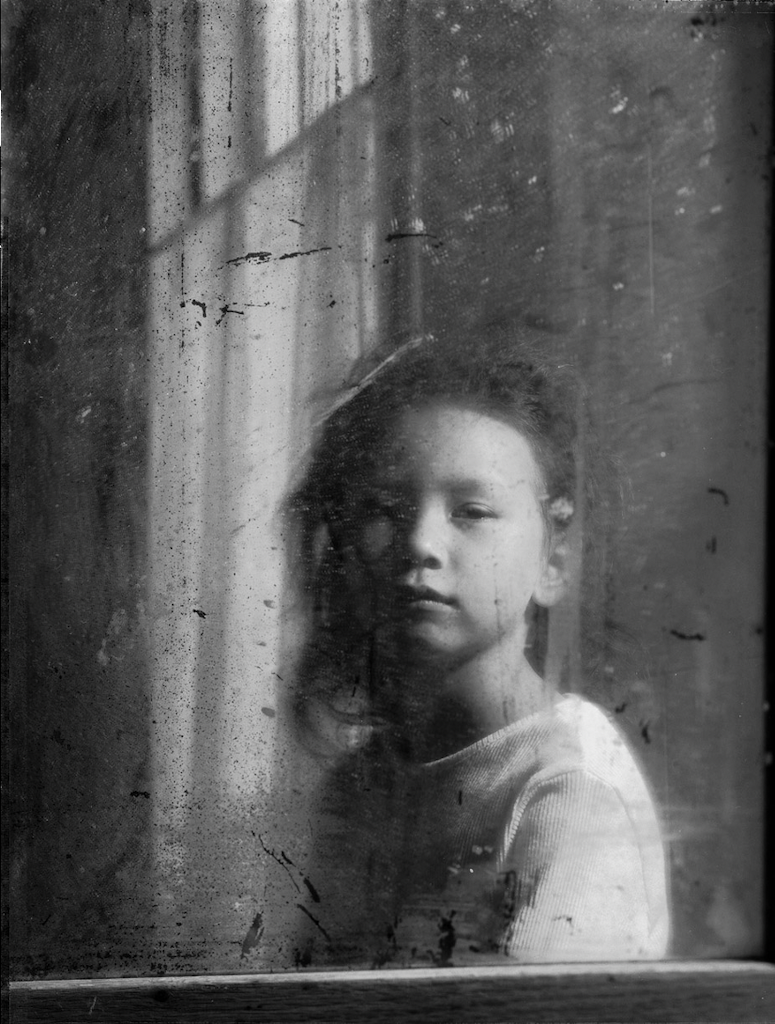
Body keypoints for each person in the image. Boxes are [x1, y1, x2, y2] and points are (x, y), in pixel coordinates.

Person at [284, 330, 670, 968]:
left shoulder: (567, 789)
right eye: (385, 509)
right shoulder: (360, 787)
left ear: (556, 556)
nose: (421, 543)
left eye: (471, 510)